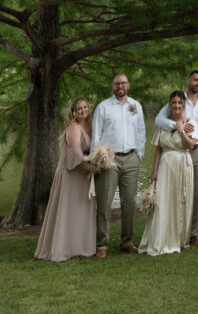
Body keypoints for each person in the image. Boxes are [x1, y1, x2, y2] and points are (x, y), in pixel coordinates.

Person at [34, 98, 99, 262]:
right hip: (70, 174)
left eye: (85, 107)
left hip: (82, 174)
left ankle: (79, 247)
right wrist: (90, 167)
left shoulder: (90, 126)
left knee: (81, 211)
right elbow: (76, 152)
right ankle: (63, 248)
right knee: (68, 211)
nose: (83, 110)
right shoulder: (74, 128)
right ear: (74, 113)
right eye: (79, 109)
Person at [155, 68, 198, 246]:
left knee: (194, 192)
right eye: (195, 80)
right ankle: (174, 231)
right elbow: (159, 120)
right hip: (179, 149)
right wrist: (177, 125)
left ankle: (192, 233)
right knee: (177, 191)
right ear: (188, 80)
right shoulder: (178, 99)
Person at [139, 91, 198, 256]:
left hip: (183, 165)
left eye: (180, 103)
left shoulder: (190, 122)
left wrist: (181, 131)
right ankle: (160, 238)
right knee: (163, 202)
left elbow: (191, 146)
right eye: (174, 102)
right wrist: (154, 171)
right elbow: (158, 148)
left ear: (183, 104)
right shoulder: (163, 124)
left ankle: (178, 239)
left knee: (180, 201)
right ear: (170, 104)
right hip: (166, 166)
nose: (177, 106)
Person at [92, 72, 145, 257]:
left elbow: (141, 133)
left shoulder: (136, 106)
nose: (120, 86)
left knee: (129, 202)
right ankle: (102, 244)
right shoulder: (103, 107)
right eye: (117, 84)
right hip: (108, 160)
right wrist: (98, 161)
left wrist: (139, 155)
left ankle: (127, 242)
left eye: (123, 83)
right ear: (112, 86)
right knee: (105, 202)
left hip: (131, 159)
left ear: (128, 85)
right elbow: (96, 136)